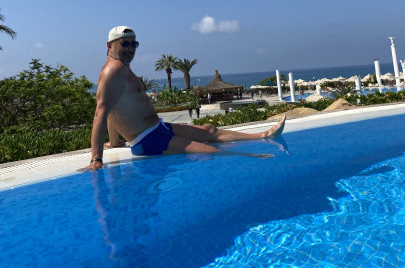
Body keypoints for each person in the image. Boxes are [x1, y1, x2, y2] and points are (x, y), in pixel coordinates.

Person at [84, 26, 286, 172]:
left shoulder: (122, 67)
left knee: (209, 130)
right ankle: (252, 159)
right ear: (110, 45)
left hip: (158, 128)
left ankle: (262, 135)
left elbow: (113, 109)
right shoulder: (113, 71)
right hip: (148, 140)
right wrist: (96, 159)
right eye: (124, 44)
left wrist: (114, 142)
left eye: (133, 44)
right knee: (208, 151)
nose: (130, 48)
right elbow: (101, 112)